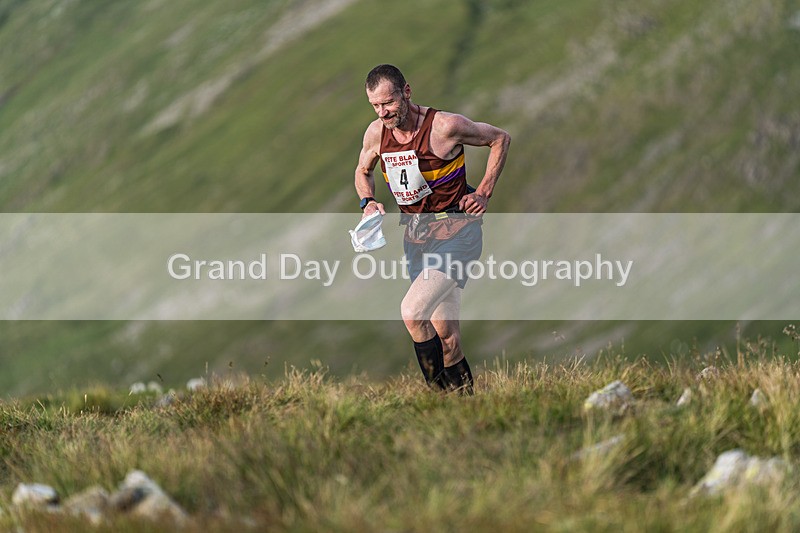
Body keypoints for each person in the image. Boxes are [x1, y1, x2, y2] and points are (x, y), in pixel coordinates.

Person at [354, 64, 511, 394]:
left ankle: (437, 400)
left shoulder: (445, 127)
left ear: (406, 92)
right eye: (376, 106)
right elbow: (362, 170)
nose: (383, 113)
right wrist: (368, 201)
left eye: (389, 103)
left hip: (458, 232)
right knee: (447, 337)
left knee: (412, 312)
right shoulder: (376, 134)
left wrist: (483, 191)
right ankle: (468, 407)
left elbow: (500, 138)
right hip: (417, 239)